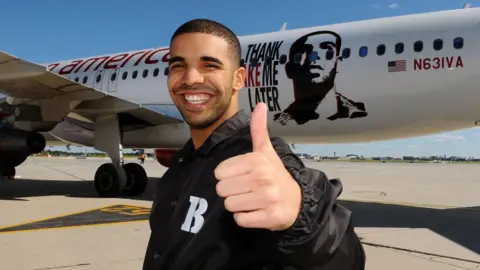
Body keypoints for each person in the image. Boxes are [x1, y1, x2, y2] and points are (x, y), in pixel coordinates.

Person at [142, 18, 366, 270]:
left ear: (239, 79)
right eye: (178, 65)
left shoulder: (259, 161)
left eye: (209, 65)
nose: (191, 78)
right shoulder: (181, 165)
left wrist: (301, 217)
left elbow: (348, 262)